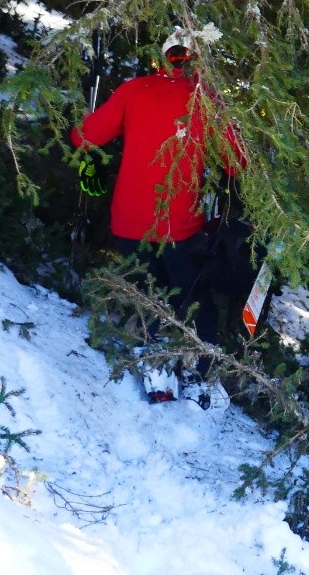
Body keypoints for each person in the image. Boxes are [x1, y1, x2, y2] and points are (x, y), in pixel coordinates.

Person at [71, 28, 243, 404]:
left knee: (142, 287)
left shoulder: (134, 90)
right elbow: (237, 161)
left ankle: (153, 359)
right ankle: (199, 370)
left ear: (163, 57)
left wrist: (84, 127)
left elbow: (84, 137)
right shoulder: (207, 100)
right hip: (180, 225)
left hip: (129, 219)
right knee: (190, 293)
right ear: (198, 59)